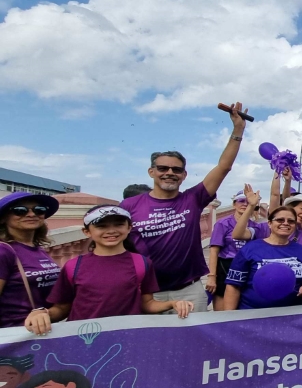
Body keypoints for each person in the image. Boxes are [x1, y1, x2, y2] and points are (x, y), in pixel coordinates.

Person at [120, 102, 249, 312]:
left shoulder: (192, 199)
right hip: (146, 291)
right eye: (162, 168)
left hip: (188, 290)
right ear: (151, 172)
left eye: (176, 169)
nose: (169, 172)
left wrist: (237, 130)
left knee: (193, 344)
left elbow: (224, 167)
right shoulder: (129, 206)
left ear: (184, 175)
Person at [24, 206, 194, 334]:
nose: (111, 231)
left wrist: (172, 303)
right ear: (87, 232)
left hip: (127, 336)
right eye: (101, 226)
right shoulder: (73, 266)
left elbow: (147, 303)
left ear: (129, 228)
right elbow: (62, 308)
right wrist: (41, 313)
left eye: (119, 224)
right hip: (81, 338)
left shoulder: (142, 263)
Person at [222, 206, 302, 310]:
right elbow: (233, 286)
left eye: (291, 221)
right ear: (269, 223)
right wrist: (229, 318)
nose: (285, 223)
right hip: (252, 315)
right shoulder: (250, 249)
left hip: (291, 315)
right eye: (280, 220)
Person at [0, 193, 61, 328]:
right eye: (20, 211)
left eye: (39, 210)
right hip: (13, 334)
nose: (31, 214)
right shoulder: (3, 250)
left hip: (40, 331)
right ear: (3, 218)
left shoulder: (37, 249)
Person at [206, 191, 252, 310]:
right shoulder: (223, 223)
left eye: (248, 201)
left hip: (246, 268)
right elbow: (214, 250)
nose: (244, 204)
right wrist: (212, 276)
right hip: (226, 267)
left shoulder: (254, 225)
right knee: (222, 311)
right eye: (241, 201)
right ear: (234, 204)